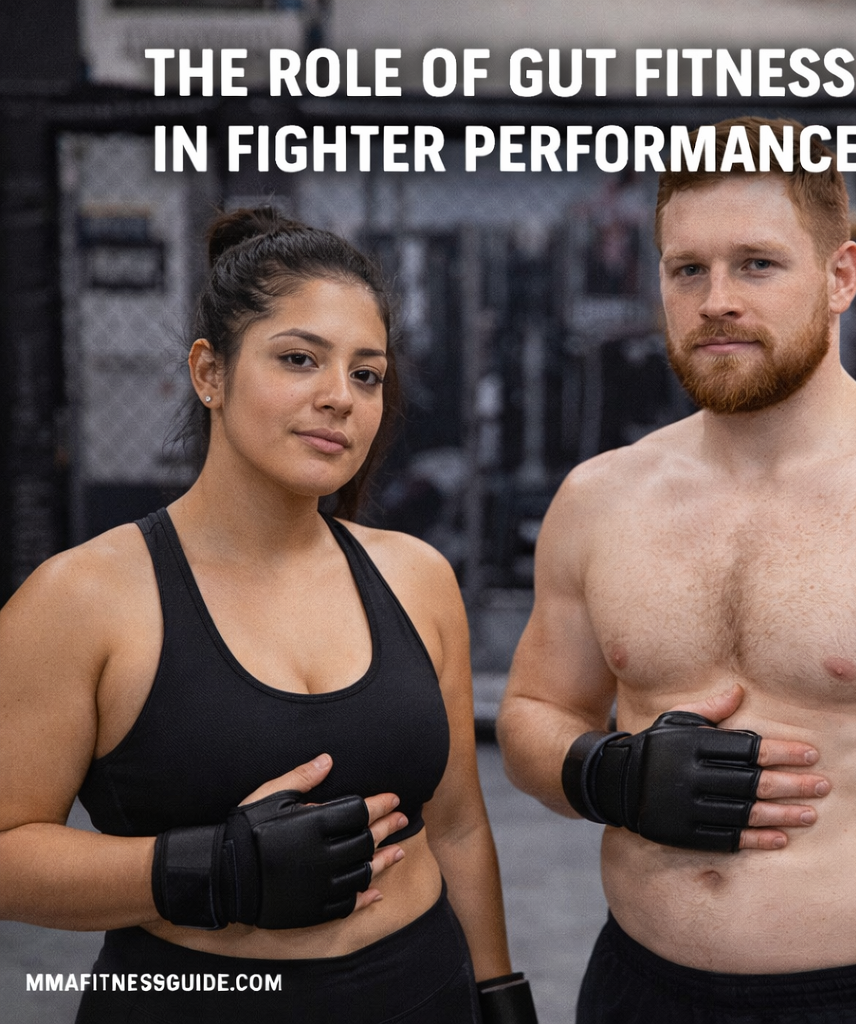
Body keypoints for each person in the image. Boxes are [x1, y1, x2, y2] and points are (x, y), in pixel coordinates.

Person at [497, 116, 856, 1023]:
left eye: (757, 265)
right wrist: (605, 773)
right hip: (638, 992)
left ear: (841, 276)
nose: (717, 301)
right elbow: (532, 717)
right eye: (687, 270)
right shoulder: (600, 498)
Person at [0, 207, 537, 1024]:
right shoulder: (83, 598)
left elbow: (458, 827)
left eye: (367, 374)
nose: (339, 398)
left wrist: (501, 998)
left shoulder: (416, 577)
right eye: (298, 359)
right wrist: (211, 870)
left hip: (422, 992)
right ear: (209, 373)